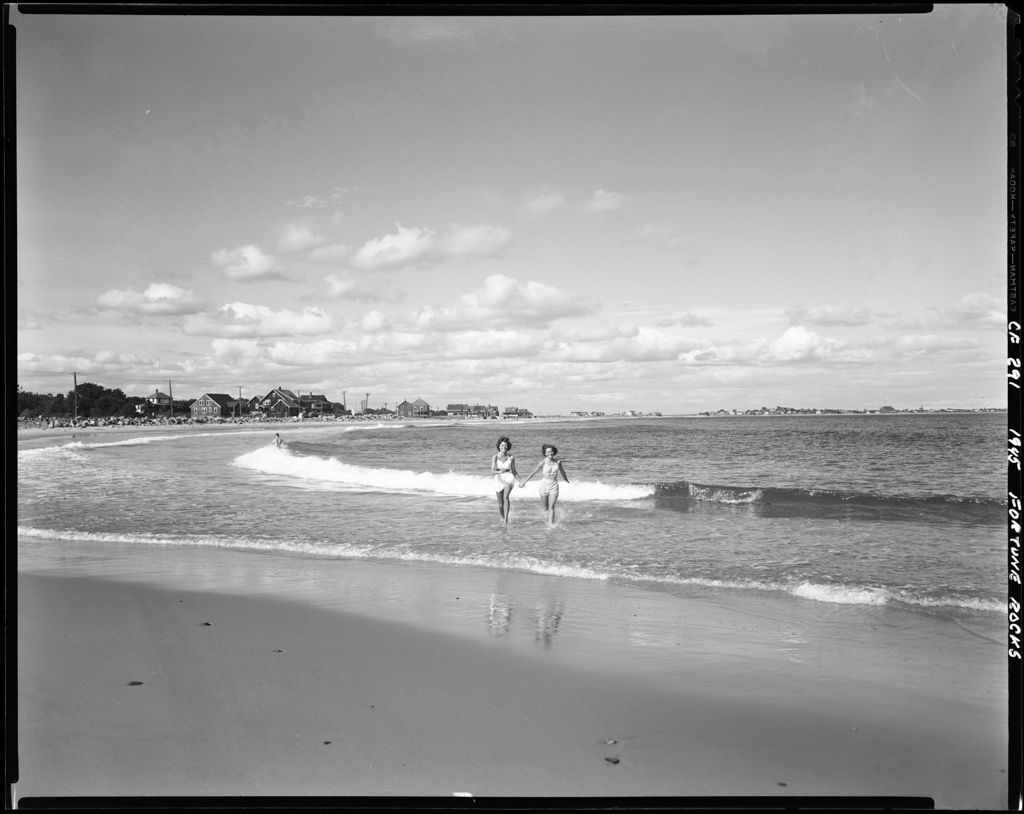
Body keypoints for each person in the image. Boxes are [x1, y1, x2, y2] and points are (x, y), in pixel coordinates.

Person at [520, 444, 570, 526]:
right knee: (546, 508)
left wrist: (566, 479)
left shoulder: (558, 462)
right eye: (548, 452)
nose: (550, 453)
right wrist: (524, 482)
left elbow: (562, 471)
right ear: (545, 453)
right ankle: (547, 521)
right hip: (544, 485)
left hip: (554, 485)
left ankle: (551, 525)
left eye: (551, 451)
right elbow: (533, 473)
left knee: (552, 507)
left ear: (554, 452)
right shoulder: (542, 463)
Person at [491, 436, 523, 526]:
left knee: (506, 497)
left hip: (509, 477)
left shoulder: (511, 457)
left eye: (505, 445)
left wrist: (521, 481)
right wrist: (499, 471)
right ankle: (502, 517)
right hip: (499, 479)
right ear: (499, 446)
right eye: (502, 445)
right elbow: (492, 471)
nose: (504, 447)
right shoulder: (495, 457)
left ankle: (506, 520)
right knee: (500, 504)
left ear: (508, 446)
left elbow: (514, 471)